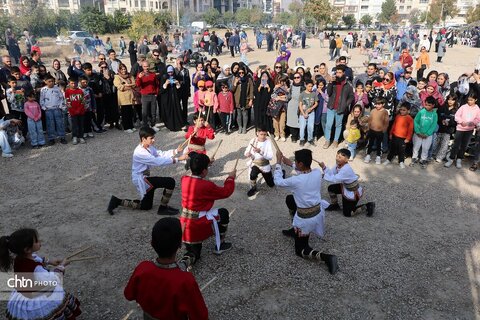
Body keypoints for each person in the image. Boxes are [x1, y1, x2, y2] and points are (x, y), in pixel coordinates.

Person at [124, 218, 208, 320]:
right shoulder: (185, 281)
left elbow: (129, 295)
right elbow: (201, 316)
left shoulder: (143, 268)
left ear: (152, 243)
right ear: (180, 245)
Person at [273, 149, 338, 274]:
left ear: (301, 164)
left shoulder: (296, 180)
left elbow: (278, 182)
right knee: (290, 199)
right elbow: (304, 171)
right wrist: (289, 163)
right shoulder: (317, 172)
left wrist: (278, 162)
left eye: (296, 162)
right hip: (317, 212)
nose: (295, 163)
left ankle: (327, 258)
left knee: (300, 250)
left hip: (306, 219)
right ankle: (294, 230)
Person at [0, 228, 81, 319]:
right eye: (36, 241)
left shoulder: (19, 259)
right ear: (27, 249)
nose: (40, 241)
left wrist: (50, 261)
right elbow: (53, 279)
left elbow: (36, 259)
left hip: (23, 292)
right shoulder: (36, 269)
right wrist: (62, 266)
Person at [108, 126, 187, 215]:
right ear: (143, 139)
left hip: (144, 178)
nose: (153, 140)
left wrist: (175, 151)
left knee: (146, 206)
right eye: (151, 138)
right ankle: (163, 208)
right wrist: (178, 159)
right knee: (170, 182)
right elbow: (157, 161)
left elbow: (160, 154)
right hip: (141, 179)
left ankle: (117, 201)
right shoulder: (140, 152)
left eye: (153, 138)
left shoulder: (148, 147)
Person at [179, 153, 235, 269]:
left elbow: (196, 175)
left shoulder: (184, 179)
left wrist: (205, 164)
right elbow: (226, 192)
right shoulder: (207, 185)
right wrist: (230, 178)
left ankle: (185, 262)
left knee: (194, 252)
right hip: (199, 224)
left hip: (184, 224)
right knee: (223, 213)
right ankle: (221, 243)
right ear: (204, 171)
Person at [322, 148, 375, 218]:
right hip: (345, 187)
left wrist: (323, 176)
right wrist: (324, 167)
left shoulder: (346, 169)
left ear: (346, 160)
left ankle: (367, 205)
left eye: (340, 157)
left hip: (353, 192)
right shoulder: (338, 165)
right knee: (331, 188)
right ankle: (335, 205)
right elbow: (331, 173)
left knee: (347, 213)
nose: (337, 158)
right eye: (337, 156)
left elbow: (334, 179)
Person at [444, 94, 480, 169]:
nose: (469, 101)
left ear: (475, 100)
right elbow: (457, 116)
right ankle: (451, 158)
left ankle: (459, 159)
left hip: (469, 129)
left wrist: (473, 123)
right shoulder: (463, 107)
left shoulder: (477, 109)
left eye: (471, 100)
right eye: (468, 100)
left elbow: (478, 119)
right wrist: (461, 121)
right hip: (460, 128)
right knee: (456, 144)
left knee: (464, 145)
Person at [324, 65, 354, 149]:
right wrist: (330, 83)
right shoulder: (333, 82)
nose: (338, 74)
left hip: (340, 108)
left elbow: (351, 96)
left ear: (343, 73)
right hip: (331, 107)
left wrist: (345, 104)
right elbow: (329, 93)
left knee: (338, 125)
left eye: (340, 72)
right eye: (337, 72)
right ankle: (327, 140)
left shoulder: (348, 85)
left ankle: (335, 141)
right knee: (329, 124)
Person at [244, 126, 274, 197]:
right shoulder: (253, 140)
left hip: (264, 165)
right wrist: (247, 154)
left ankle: (281, 173)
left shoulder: (268, 142)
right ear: (257, 133)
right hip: (255, 164)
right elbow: (247, 151)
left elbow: (270, 157)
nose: (263, 136)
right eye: (261, 134)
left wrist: (260, 152)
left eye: (265, 134)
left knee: (271, 184)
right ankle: (253, 188)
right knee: (252, 175)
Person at [410, 96, 438, 169]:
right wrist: (418, 132)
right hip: (418, 134)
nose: (427, 106)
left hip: (428, 135)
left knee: (425, 148)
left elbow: (433, 125)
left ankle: (423, 160)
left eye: (429, 105)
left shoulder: (434, 114)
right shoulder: (421, 112)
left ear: (433, 105)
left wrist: (427, 134)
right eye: (426, 104)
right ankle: (414, 158)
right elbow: (416, 121)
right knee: (416, 146)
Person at [384, 102, 414, 168]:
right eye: (401, 110)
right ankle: (388, 159)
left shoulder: (410, 119)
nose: (402, 111)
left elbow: (410, 130)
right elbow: (394, 125)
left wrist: (408, 138)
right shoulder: (397, 116)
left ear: (408, 111)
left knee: (401, 151)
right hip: (395, 136)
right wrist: (391, 133)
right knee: (392, 149)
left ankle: (401, 161)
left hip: (403, 138)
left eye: (404, 110)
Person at [40, 74, 67, 145]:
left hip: (57, 108)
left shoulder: (57, 89)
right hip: (48, 109)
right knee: (50, 124)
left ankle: (62, 137)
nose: (51, 82)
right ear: (45, 82)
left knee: (60, 123)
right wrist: (44, 108)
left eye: (52, 81)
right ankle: (51, 138)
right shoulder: (43, 90)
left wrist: (61, 106)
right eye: (49, 81)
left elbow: (61, 98)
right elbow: (41, 100)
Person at [433, 94, 458, 162]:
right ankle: (433, 154)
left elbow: (457, 121)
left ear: (455, 101)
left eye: (452, 100)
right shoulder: (442, 107)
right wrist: (441, 120)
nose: (450, 101)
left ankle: (440, 157)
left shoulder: (456, 110)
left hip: (448, 130)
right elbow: (437, 116)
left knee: (444, 144)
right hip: (439, 128)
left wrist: (449, 123)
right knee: (436, 142)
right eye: (449, 99)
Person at [364, 97, 389, 165]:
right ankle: (368, 155)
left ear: (383, 104)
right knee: (370, 143)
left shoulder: (385, 112)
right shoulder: (373, 111)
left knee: (379, 144)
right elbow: (370, 119)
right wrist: (368, 127)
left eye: (379, 104)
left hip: (380, 132)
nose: (377, 106)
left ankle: (378, 156)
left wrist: (384, 130)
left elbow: (386, 122)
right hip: (371, 130)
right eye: (376, 104)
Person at [114, 63, 137, 133]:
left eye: (125, 69)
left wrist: (126, 85)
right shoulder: (117, 77)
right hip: (123, 98)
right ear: (120, 70)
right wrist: (128, 86)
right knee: (125, 113)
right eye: (122, 69)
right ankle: (126, 127)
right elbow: (119, 86)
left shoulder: (130, 75)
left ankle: (131, 126)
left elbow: (134, 83)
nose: (124, 71)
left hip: (130, 97)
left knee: (130, 112)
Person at [136, 61, 159, 129]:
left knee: (153, 111)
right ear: (142, 67)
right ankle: (145, 126)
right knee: (145, 112)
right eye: (144, 66)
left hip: (153, 95)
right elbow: (138, 85)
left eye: (147, 66)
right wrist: (139, 78)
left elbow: (157, 85)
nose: (146, 68)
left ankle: (153, 125)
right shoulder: (140, 74)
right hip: (145, 95)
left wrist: (156, 94)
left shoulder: (153, 74)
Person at [65, 77, 86, 145]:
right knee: (74, 125)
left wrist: (79, 110)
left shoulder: (80, 91)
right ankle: (74, 136)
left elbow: (83, 101)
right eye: (72, 83)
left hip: (81, 111)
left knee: (81, 124)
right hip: (73, 112)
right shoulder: (67, 91)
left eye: (75, 83)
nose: (74, 85)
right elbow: (68, 102)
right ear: (69, 83)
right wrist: (73, 110)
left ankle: (81, 136)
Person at [232, 68, 254, 134]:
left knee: (245, 114)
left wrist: (251, 100)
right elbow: (232, 90)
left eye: (242, 72)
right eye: (240, 73)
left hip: (245, 100)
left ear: (245, 73)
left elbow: (251, 90)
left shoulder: (248, 79)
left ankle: (244, 127)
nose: (241, 74)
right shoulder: (236, 79)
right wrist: (235, 83)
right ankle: (240, 127)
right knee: (239, 114)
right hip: (238, 100)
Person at [298, 79, 318, 146]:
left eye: (311, 86)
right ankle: (302, 139)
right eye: (309, 86)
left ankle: (310, 139)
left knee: (310, 127)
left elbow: (316, 103)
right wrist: (303, 113)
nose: (310, 88)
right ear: (306, 85)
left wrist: (311, 108)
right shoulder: (302, 94)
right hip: (302, 113)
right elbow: (300, 105)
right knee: (302, 127)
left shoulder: (314, 94)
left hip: (311, 113)